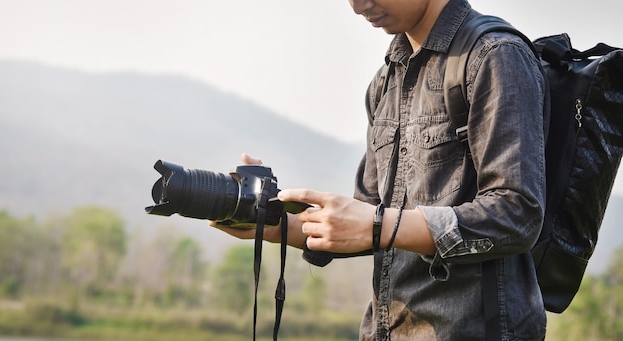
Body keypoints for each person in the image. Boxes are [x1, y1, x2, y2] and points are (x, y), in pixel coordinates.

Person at [214, 0, 549, 340]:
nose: (359, 5)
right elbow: (363, 222)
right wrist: (271, 222)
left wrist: (377, 225)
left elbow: (517, 213)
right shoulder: (386, 81)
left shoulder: (496, 55)